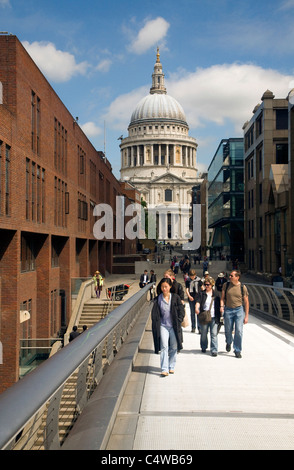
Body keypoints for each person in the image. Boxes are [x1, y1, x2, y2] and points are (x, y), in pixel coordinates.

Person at [151, 277, 185, 376]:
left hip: (174, 326)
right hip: (163, 326)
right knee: (164, 346)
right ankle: (164, 369)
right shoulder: (158, 299)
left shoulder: (175, 297)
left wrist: (179, 320)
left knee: (174, 346)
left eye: (166, 286)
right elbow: (155, 314)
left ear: (170, 286)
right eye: (162, 287)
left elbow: (181, 311)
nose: (164, 289)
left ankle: (171, 366)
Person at [220, 270, 249, 358]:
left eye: (232, 276)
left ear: (237, 277)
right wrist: (222, 306)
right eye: (230, 275)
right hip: (228, 310)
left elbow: (246, 302)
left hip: (239, 310)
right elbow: (222, 298)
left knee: (239, 331)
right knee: (228, 330)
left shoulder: (242, 287)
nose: (230, 277)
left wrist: (246, 316)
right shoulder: (226, 285)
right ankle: (228, 342)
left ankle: (237, 350)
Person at [195, 277, 221, 356]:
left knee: (213, 334)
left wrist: (221, 310)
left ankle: (214, 350)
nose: (206, 286)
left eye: (208, 285)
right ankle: (203, 346)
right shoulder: (202, 293)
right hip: (204, 316)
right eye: (205, 285)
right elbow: (198, 301)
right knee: (204, 333)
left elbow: (220, 304)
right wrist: (196, 308)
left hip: (214, 316)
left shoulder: (216, 294)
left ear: (212, 285)